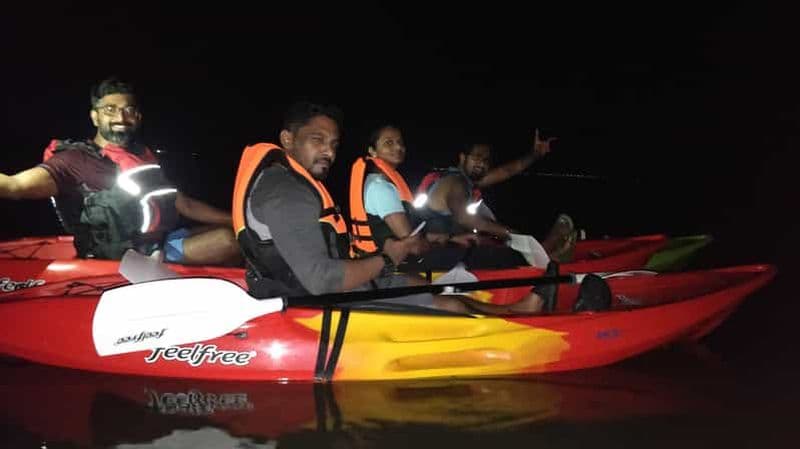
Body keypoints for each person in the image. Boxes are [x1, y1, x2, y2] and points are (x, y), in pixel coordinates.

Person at [232, 102, 549, 314]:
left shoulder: (284, 180)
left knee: (429, 289)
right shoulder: (288, 191)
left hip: (306, 284)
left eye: (333, 144)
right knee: (450, 305)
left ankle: (512, 311)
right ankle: (515, 315)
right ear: (287, 139)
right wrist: (387, 258)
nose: (328, 151)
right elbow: (321, 280)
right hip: (311, 301)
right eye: (317, 140)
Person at [0, 78, 240, 264]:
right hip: (125, 259)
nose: (121, 117)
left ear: (138, 116)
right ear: (95, 116)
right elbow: (15, 186)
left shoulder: (141, 155)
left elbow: (182, 203)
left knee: (239, 232)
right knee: (229, 242)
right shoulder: (75, 160)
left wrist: (237, 219)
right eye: (110, 110)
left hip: (159, 243)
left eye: (128, 110)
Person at [413, 132, 577, 266]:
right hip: (432, 255)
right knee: (504, 253)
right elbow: (464, 218)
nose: (482, 163)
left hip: (446, 247)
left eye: (486, 160)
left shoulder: (467, 180)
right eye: (477, 157)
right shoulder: (456, 182)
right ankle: (548, 253)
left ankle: (544, 250)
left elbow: (507, 171)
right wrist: (509, 232)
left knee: (495, 243)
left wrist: (535, 154)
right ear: (463, 158)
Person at [348, 124, 476, 259]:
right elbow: (412, 246)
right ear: (372, 151)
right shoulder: (381, 188)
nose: (398, 147)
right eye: (389, 143)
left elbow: (411, 235)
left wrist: (452, 238)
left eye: (400, 143)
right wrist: (448, 247)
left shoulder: (376, 181)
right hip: (385, 271)